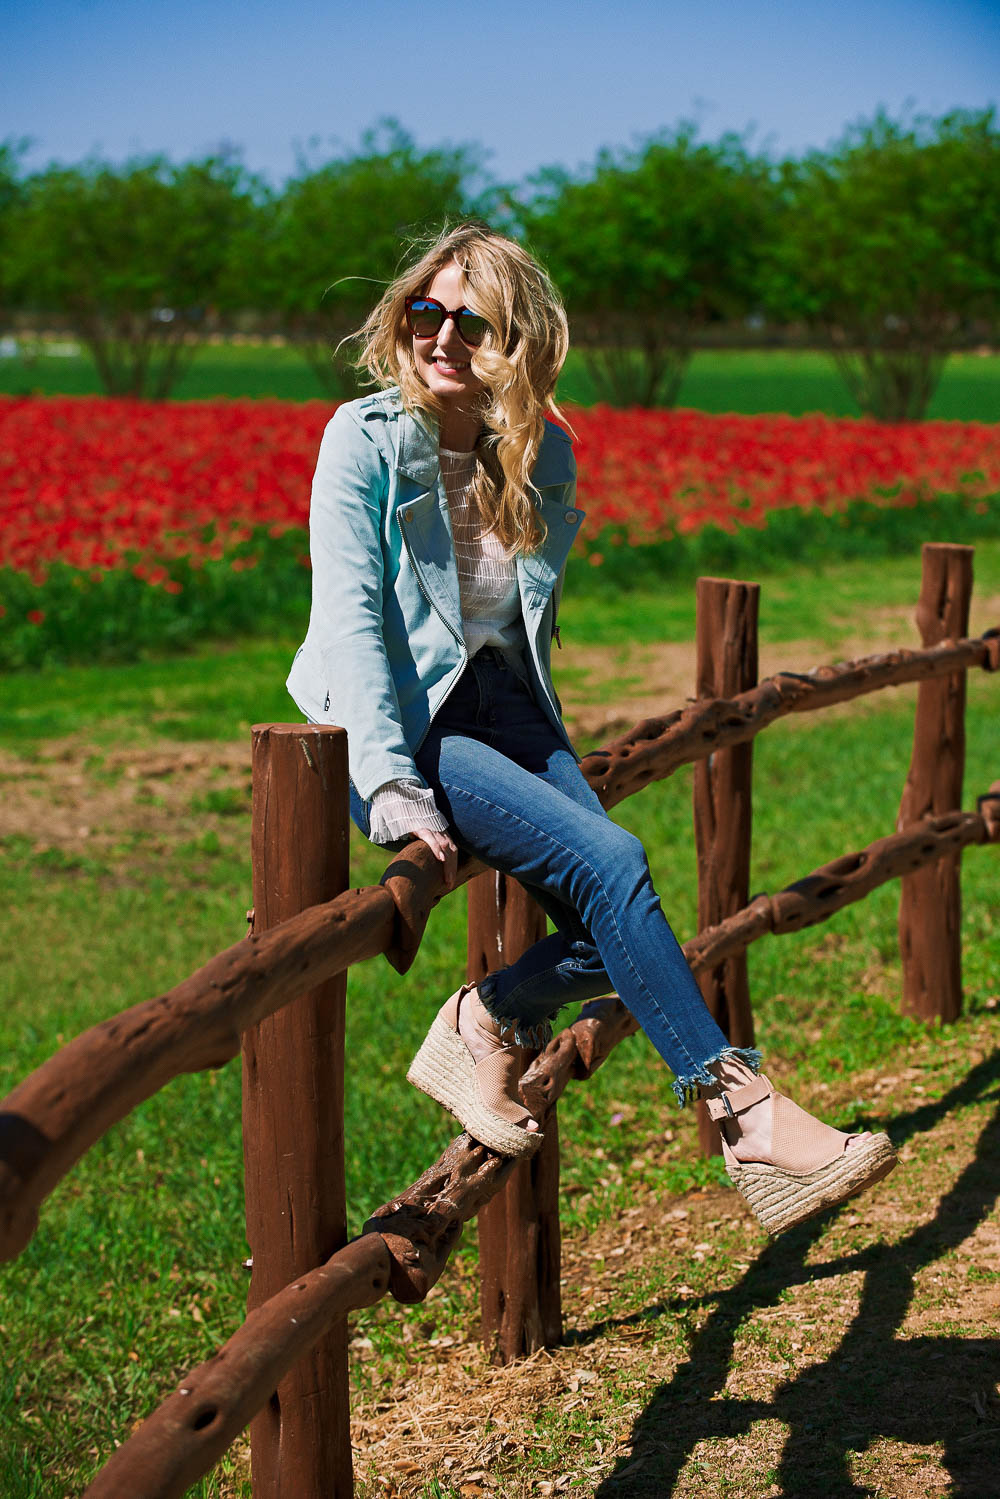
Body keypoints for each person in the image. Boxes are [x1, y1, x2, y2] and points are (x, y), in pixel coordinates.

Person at [286, 223, 897, 1236]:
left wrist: (541, 739)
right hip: (413, 714)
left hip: (506, 707)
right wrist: (388, 779)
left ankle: (488, 1012)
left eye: (468, 321)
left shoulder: (542, 448)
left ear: (515, 340)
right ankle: (742, 1107)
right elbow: (350, 616)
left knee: (620, 893)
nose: (439, 337)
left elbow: (518, 624)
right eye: (422, 314)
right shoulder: (363, 439)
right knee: (614, 863)